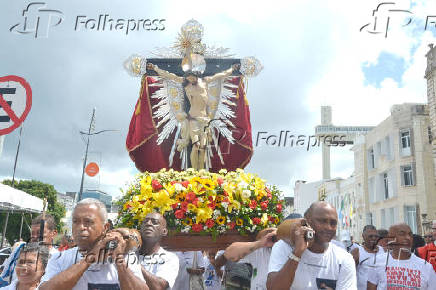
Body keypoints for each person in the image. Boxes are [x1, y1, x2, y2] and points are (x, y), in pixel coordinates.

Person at [146, 62, 240, 170]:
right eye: (189, 79)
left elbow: (221, 75)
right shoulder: (185, 84)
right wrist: (156, 68)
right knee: (196, 146)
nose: (191, 80)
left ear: (196, 76)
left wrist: (232, 69)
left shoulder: (205, 81)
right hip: (193, 119)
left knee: (203, 147)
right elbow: (170, 76)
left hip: (205, 120)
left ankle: (202, 172)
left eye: (192, 78)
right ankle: (194, 172)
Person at [38, 198, 147, 289]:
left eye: (88, 222)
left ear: (106, 227)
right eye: (75, 221)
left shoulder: (126, 257)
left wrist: (120, 262)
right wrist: (88, 260)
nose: (80, 227)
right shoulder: (60, 258)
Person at [267, 201, 357, 290]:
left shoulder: (344, 258)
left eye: (333, 223)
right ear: (307, 221)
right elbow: (273, 287)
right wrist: (297, 253)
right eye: (322, 221)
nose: (328, 227)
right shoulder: (283, 246)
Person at [367, 223, 436, 289]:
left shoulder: (426, 267)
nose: (408, 238)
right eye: (402, 234)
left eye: (410, 234)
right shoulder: (377, 262)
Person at [138, 212, 179, 289]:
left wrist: (134, 265)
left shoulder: (169, 258)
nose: (148, 224)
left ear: (164, 232)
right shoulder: (129, 254)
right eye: (145, 221)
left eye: (154, 222)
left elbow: (158, 286)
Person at [350, 225, 385, 290]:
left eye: (376, 236)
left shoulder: (383, 251)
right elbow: (349, 275)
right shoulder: (357, 252)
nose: (373, 238)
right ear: (363, 236)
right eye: (370, 236)